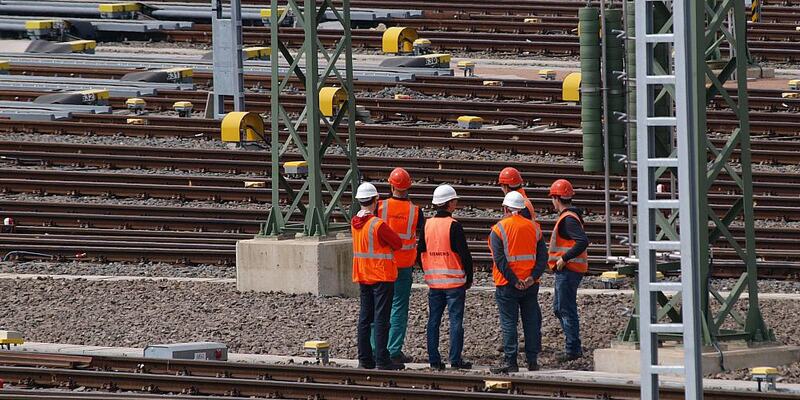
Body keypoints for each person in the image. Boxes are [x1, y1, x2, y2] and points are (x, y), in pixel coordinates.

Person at [488, 191, 548, 374]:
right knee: (530, 321)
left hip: (507, 284)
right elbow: (543, 257)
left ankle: (511, 361)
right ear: (522, 209)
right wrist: (531, 278)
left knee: (509, 323)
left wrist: (514, 281)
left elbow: (500, 260)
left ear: (505, 208)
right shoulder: (534, 228)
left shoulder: (499, 229)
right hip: (530, 285)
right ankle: (532, 361)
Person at [418, 184, 474, 370]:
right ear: (449, 204)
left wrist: (429, 271)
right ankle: (455, 360)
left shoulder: (427, 225)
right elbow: (465, 255)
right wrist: (469, 277)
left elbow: (420, 253)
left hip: (434, 283)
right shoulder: (454, 226)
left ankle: (434, 361)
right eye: (455, 200)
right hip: (454, 282)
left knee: (433, 321)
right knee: (455, 321)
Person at [372, 168, 425, 364]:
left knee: (378, 307)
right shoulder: (416, 211)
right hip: (403, 267)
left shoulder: (379, 207)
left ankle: (374, 348)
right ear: (408, 187)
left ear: (391, 185)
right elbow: (422, 236)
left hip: (382, 265)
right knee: (398, 308)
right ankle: (393, 350)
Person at [351, 182, 404, 370]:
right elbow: (397, 243)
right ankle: (382, 360)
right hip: (381, 276)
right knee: (382, 319)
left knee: (365, 319)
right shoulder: (378, 224)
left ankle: (364, 359)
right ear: (376, 201)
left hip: (363, 275)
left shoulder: (354, 222)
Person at [547, 179, 589, 362]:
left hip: (569, 271)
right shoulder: (571, 217)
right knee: (559, 308)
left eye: (552, 198)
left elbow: (582, 241)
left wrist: (564, 258)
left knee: (566, 309)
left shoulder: (568, 219)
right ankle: (573, 345)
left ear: (556, 198)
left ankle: (573, 349)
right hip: (569, 271)